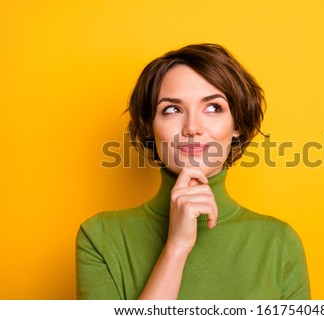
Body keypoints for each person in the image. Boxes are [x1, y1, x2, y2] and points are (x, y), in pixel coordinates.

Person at [76, 43, 310, 299]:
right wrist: (176, 248)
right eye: (172, 109)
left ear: (237, 125)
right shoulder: (101, 237)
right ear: (149, 128)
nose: (192, 128)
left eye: (212, 107)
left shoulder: (279, 243)